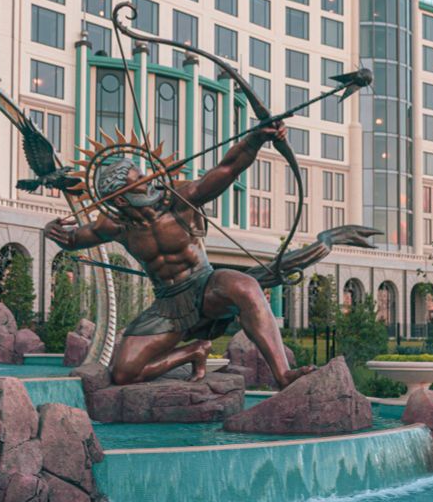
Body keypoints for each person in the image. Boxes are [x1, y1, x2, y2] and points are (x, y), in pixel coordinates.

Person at [45, 122, 314, 388]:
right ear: (120, 199)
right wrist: (54, 231)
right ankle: (194, 351)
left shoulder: (179, 199)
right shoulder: (115, 225)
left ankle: (283, 375)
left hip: (205, 286)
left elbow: (228, 168)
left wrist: (255, 138)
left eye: (143, 174)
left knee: (246, 286)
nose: (148, 181)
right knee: (124, 373)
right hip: (167, 305)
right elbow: (73, 239)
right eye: (138, 181)